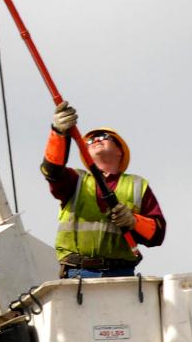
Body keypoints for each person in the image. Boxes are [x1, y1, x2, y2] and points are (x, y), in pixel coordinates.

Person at [40, 101, 165, 278]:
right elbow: (51, 170)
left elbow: (158, 234)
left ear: (120, 151)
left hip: (120, 273)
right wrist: (59, 133)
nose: (96, 140)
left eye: (104, 137)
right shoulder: (76, 180)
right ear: (85, 153)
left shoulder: (137, 185)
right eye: (90, 140)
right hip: (77, 272)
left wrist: (133, 221)